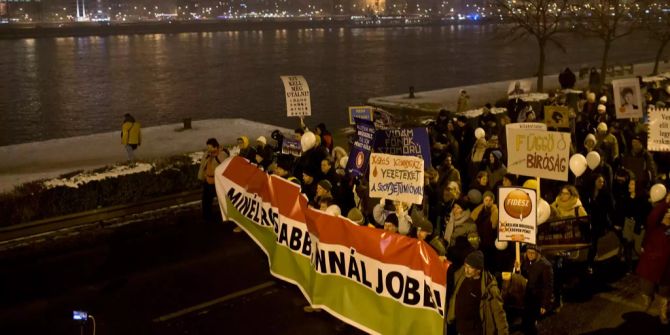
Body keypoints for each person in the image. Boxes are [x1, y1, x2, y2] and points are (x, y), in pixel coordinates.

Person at [447, 250, 509, 335]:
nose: (466, 270)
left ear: (479, 270)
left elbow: (499, 313)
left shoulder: (490, 288)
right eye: (465, 266)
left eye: (470, 268)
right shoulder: (461, 276)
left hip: (476, 331)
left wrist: (503, 333)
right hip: (460, 330)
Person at [636, 194, 670, 325]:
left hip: (665, 254)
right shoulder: (661, 209)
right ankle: (650, 302)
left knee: (665, 286)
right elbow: (651, 224)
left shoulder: (662, 209)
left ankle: (663, 311)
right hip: (658, 251)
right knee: (652, 281)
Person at [517, 245, 554, 335]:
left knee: (531, 323)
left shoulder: (545, 266)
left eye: (533, 253)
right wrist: (518, 268)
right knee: (526, 320)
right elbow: (524, 275)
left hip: (537, 299)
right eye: (528, 252)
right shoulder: (526, 261)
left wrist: (544, 305)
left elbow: (548, 286)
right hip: (527, 297)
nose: (530, 255)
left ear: (538, 254)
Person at [197, 138, 229, 224]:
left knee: (222, 201)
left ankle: (226, 217)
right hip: (208, 181)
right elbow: (203, 165)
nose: (208, 149)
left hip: (217, 183)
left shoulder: (222, 155)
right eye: (208, 147)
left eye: (210, 147)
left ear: (216, 147)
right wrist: (201, 176)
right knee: (206, 200)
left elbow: (225, 168)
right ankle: (207, 217)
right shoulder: (208, 154)